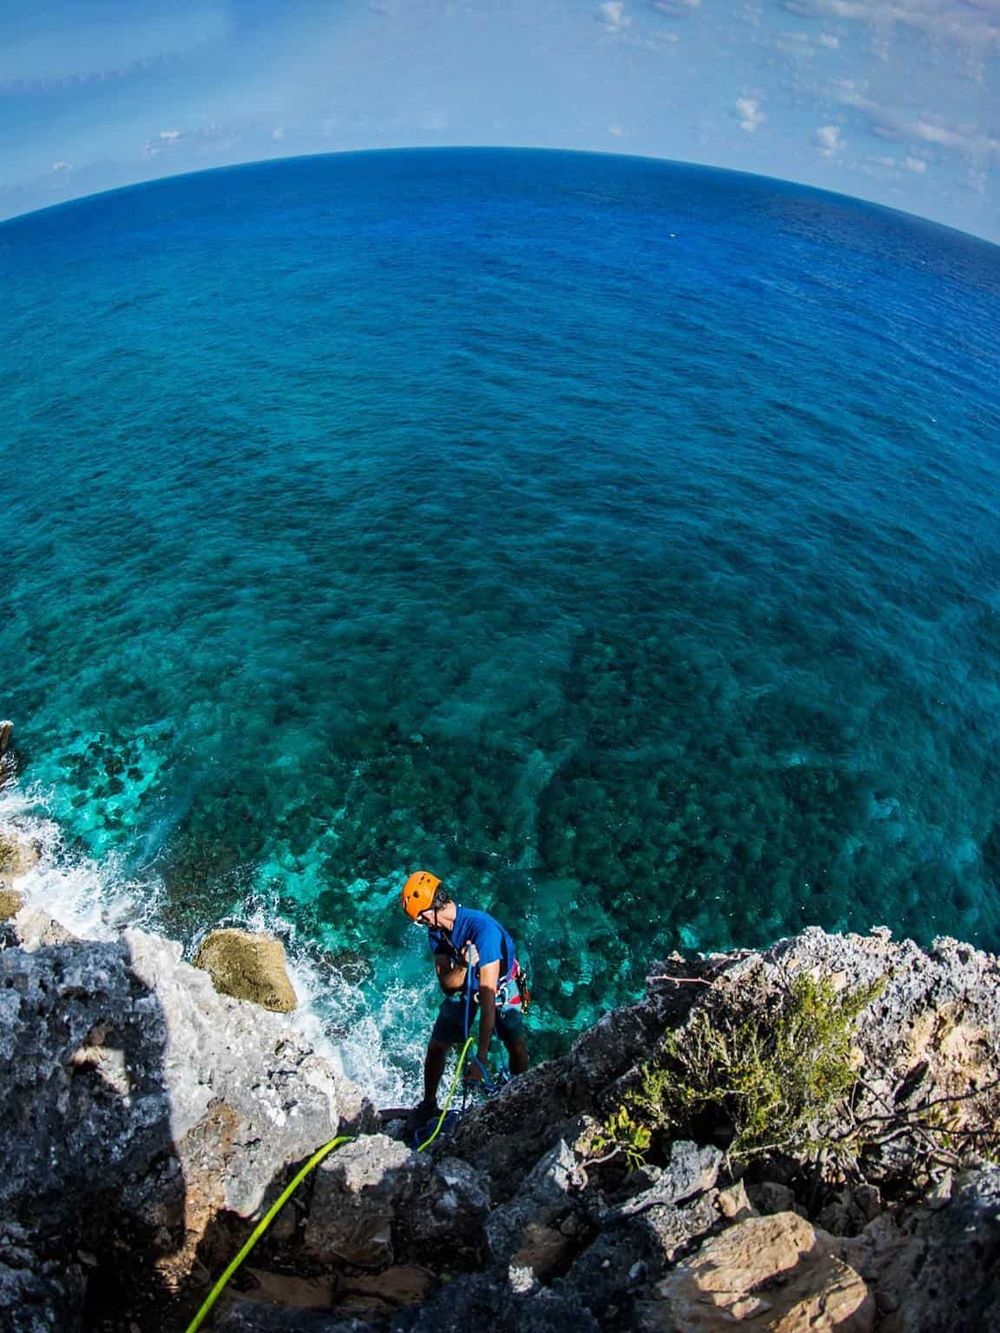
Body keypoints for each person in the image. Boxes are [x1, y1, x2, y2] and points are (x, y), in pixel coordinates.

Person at [401, 870, 529, 1127]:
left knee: (515, 1044)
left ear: (427, 912)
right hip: (466, 984)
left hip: (498, 987)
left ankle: (522, 1095)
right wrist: (461, 964)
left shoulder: (484, 932)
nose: (422, 924)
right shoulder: (436, 931)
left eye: (420, 920)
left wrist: (481, 1058)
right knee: (437, 1046)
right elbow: (447, 986)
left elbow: (488, 999)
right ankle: (429, 1103)